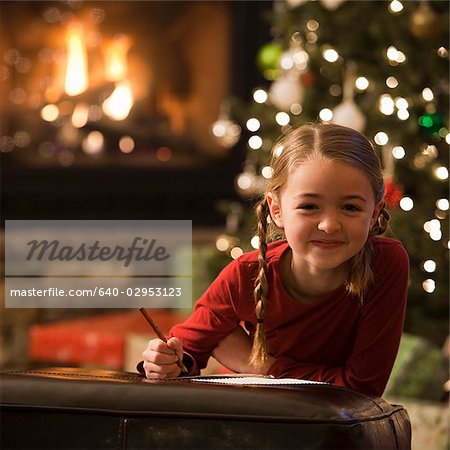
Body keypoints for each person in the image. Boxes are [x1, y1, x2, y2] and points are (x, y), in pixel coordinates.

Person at [139, 123, 409, 397]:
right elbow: (183, 354)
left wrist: (257, 366)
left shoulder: (386, 263)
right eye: (309, 206)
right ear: (277, 211)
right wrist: (163, 363)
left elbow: (362, 389)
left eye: (350, 207)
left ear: (374, 214)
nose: (329, 225)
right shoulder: (244, 275)